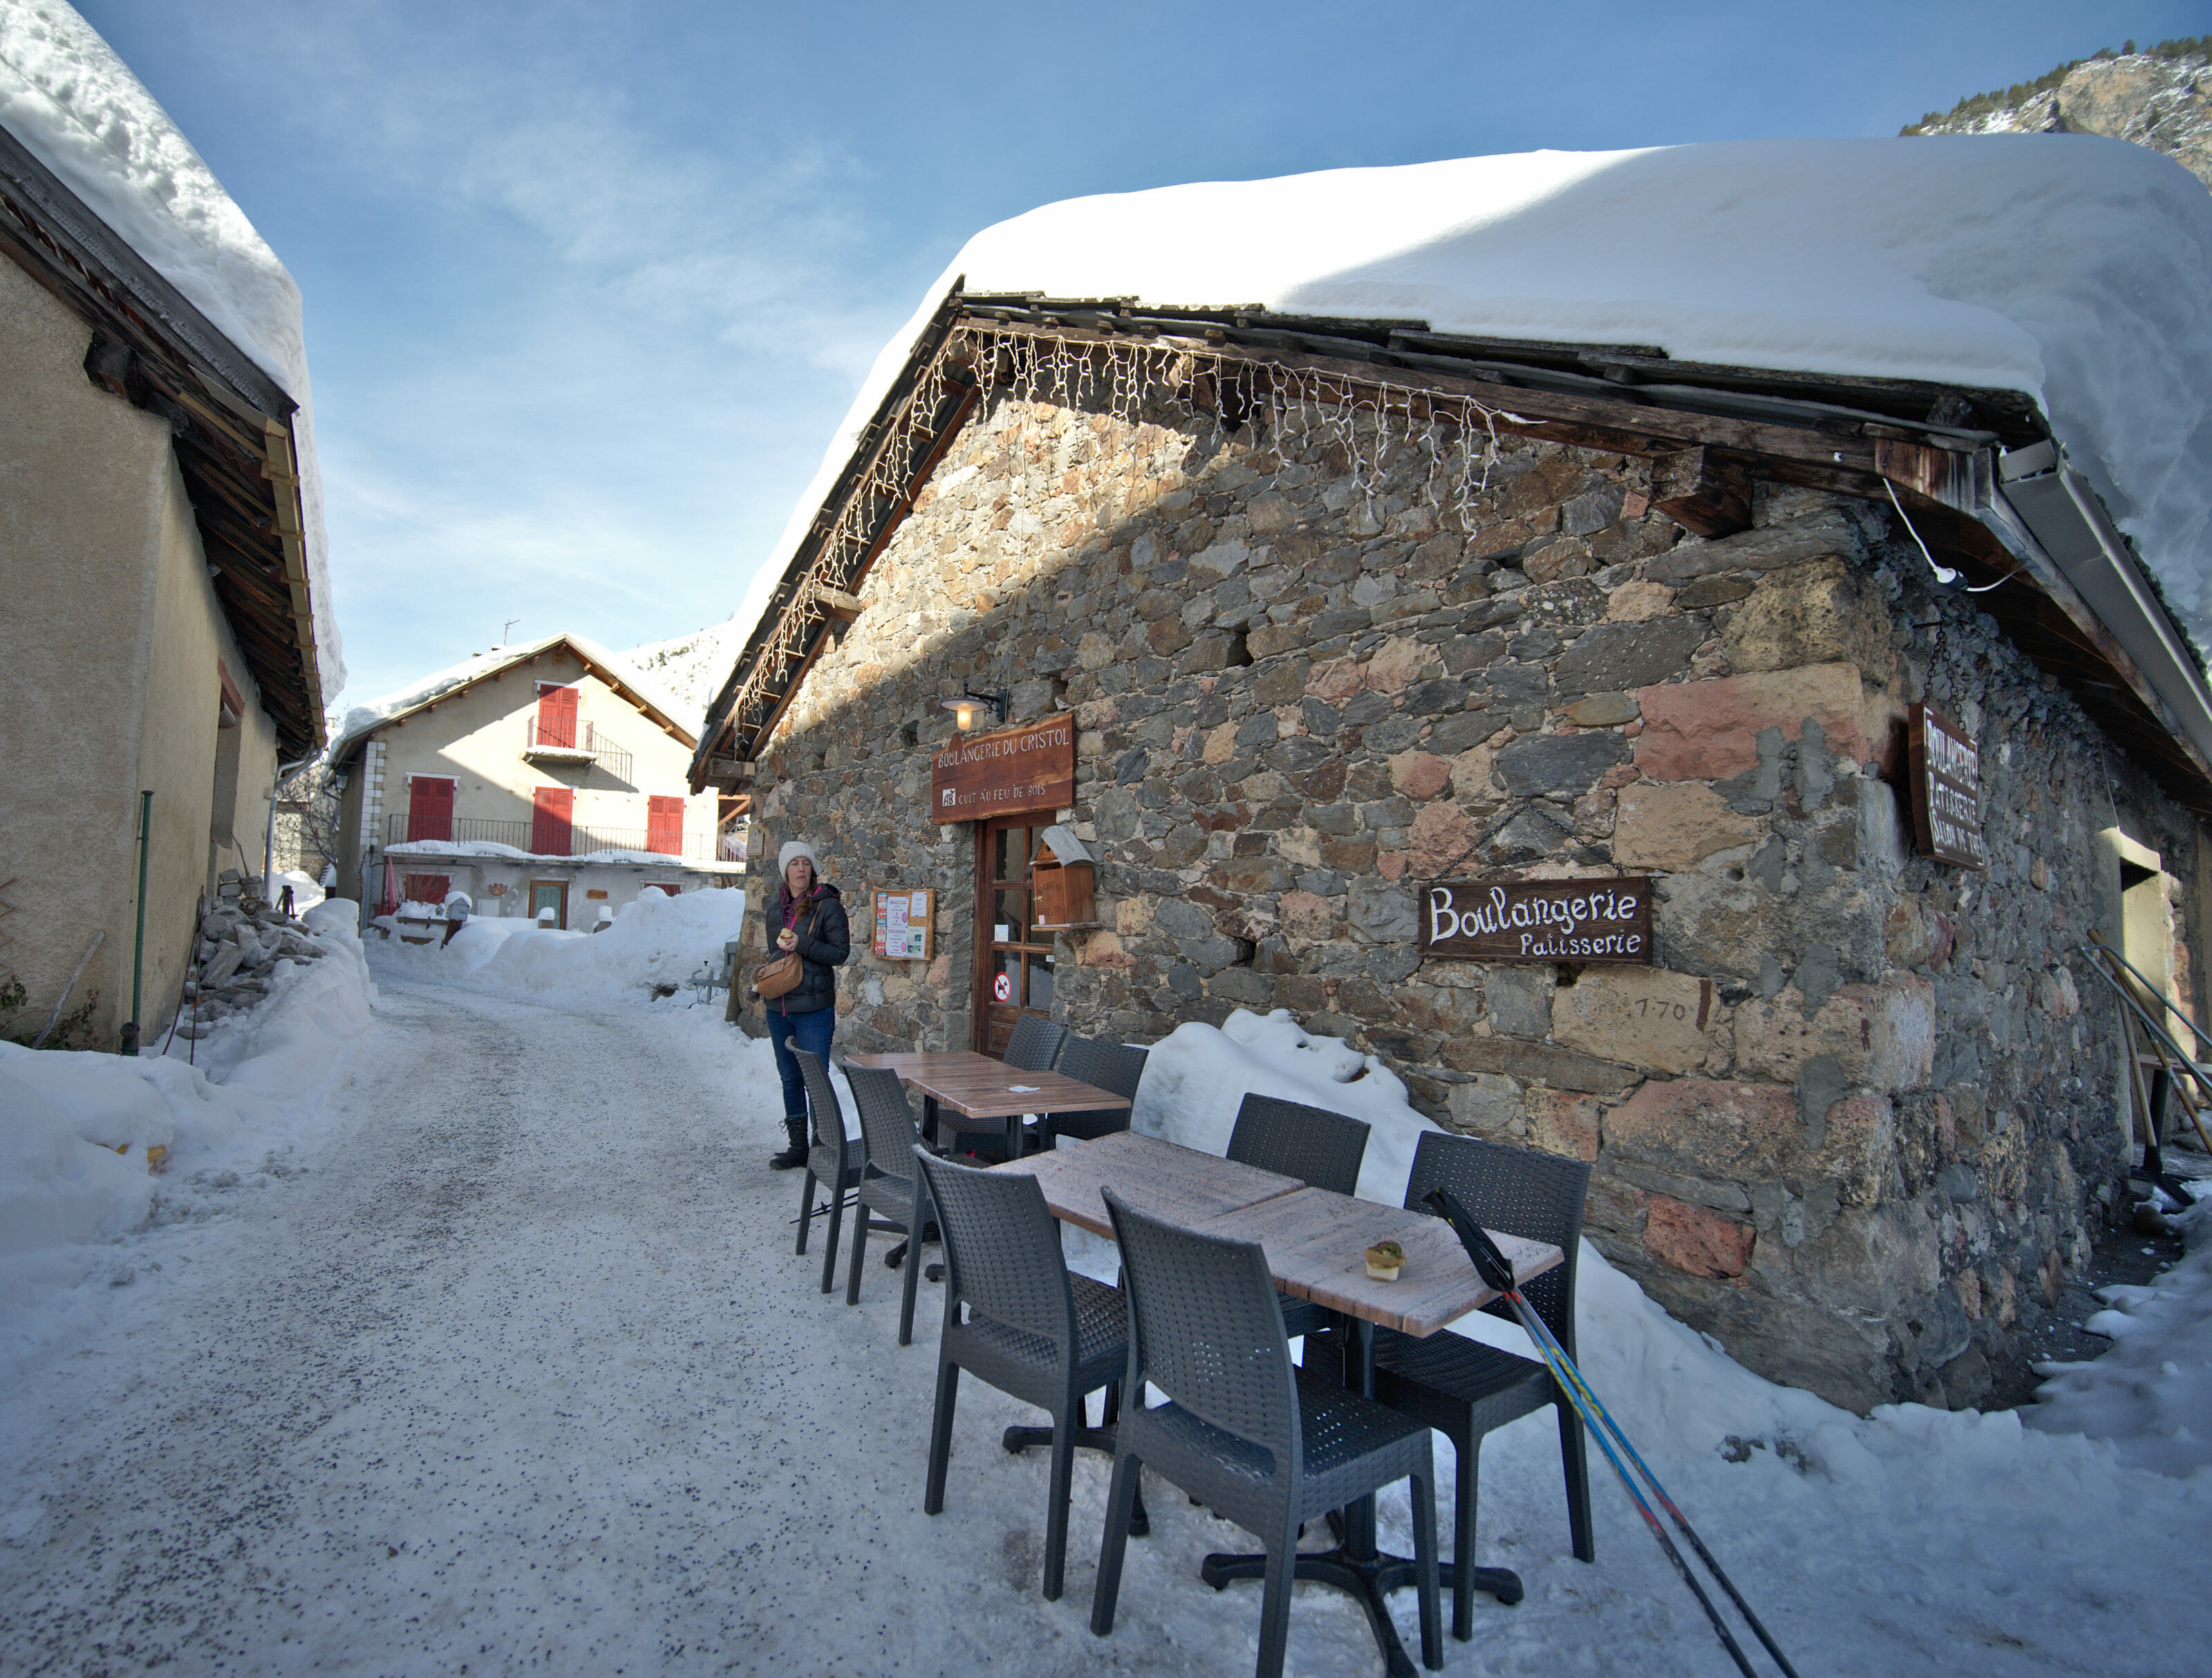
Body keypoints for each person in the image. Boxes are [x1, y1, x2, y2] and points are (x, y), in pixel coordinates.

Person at [765, 839, 850, 1169]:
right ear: (785, 871)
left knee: (816, 1078)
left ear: (812, 868)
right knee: (790, 1079)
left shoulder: (827, 905)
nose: (801, 869)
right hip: (779, 1008)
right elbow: (775, 956)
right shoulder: (775, 910)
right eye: (794, 864)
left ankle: (824, 1145)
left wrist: (804, 944)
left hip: (814, 1009)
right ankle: (798, 1147)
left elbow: (840, 953)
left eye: (805, 863)